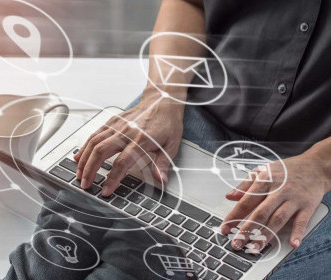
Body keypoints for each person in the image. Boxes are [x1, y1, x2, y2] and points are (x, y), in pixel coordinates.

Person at [74, 0, 331, 279]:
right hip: (189, 105)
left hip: (310, 160)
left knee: (146, 264)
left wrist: (321, 164)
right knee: (69, 227)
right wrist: (160, 95)